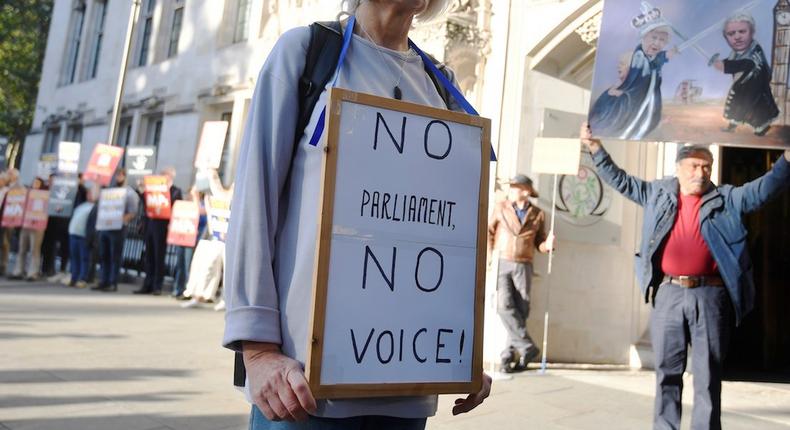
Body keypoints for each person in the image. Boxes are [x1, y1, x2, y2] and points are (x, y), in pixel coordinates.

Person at [222, 1, 491, 428]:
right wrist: (258, 351)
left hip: (404, 392)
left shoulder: (442, 85)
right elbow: (255, 203)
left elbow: (444, 232)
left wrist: (462, 346)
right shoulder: (306, 53)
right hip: (301, 391)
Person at [580, 123, 790, 430]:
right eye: (694, 165)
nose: (701, 173)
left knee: (707, 375)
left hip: (711, 297)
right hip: (669, 294)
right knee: (667, 371)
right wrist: (595, 148)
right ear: (679, 168)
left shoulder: (726, 199)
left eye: (707, 166)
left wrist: (786, 159)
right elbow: (621, 181)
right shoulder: (657, 193)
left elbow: (763, 190)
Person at [487, 174, 554, 373]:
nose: (512, 190)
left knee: (521, 309)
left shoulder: (538, 214)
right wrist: (490, 257)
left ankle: (508, 357)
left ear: (525, 191)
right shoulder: (501, 208)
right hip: (503, 261)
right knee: (503, 305)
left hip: (524, 263)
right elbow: (489, 232)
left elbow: (539, 242)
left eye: (515, 187)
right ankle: (528, 347)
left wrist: (547, 245)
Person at [589, 9, 677, 140]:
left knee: (646, 119)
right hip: (632, 99)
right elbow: (642, 75)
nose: (657, 43)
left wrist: (665, 56)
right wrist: (665, 56)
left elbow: (653, 66)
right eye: (654, 37)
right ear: (644, 37)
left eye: (662, 40)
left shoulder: (650, 57)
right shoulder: (639, 56)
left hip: (645, 100)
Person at [712, 12, 779, 136]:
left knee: (756, 111)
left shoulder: (755, 51)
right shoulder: (737, 52)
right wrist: (722, 63)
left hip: (755, 90)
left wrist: (725, 66)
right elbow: (734, 62)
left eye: (742, 31)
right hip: (742, 88)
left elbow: (748, 64)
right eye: (731, 34)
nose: (737, 37)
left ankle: (761, 128)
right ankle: (732, 125)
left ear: (752, 32)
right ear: (726, 37)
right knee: (736, 106)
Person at [136, 166, 182, 295]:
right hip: (151, 225)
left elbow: (176, 208)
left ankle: (157, 285)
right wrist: (142, 190)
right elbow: (146, 203)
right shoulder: (154, 190)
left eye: (164, 175)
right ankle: (147, 284)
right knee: (149, 256)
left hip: (163, 227)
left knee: (158, 256)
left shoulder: (175, 191)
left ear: (169, 177)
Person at [92, 168, 140, 292]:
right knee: (104, 255)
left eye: (119, 175)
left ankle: (112, 282)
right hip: (105, 227)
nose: (117, 178)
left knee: (115, 256)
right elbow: (97, 200)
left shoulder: (129, 193)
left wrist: (120, 220)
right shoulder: (109, 190)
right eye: (115, 175)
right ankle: (104, 280)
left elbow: (133, 212)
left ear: (124, 176)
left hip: (118, 228)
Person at [11, 177, 45, 281]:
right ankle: (19, 270)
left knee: (34, 250)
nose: (35, 184)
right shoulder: (27, 194)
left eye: (37, 183)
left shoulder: (44, 196)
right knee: (22, 249)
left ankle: (33, 272)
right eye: (34, 182)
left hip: (37, 226)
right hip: (25, 225)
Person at [67, 184, 97, 288]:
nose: (89, 195)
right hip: (74, 234)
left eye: (91, 193)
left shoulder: (95, 207)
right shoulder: (81, 205)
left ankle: (83, 278)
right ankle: (74, 277)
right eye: (88, 193)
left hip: (84, 236)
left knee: (84, 258)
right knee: (74, 257)